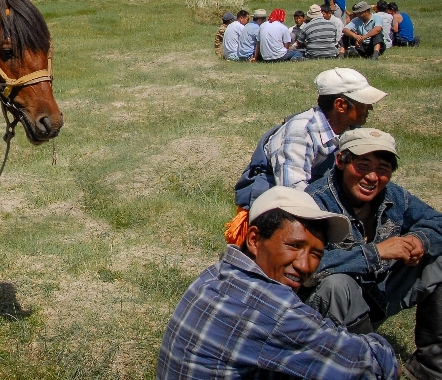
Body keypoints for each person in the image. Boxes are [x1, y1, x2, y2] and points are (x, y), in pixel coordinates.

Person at [158, 186, 397, 379]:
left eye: (316, 254)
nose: (304, 265)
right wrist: (375, 345)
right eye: (294, 246)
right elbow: (370, 367)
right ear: (254, 239)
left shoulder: (217, 273)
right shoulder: (273, 309)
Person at [307, 128, 442, 380]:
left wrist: (418, 240)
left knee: (439, 256)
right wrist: (376, 252)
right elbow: (307, 265)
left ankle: (431, 369)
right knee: (338, 284)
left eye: (383, 168)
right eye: (362, 165)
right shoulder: (315, 202)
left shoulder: (395, 196)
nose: (372, 176)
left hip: (377, 295)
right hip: (330, 309)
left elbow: (437, 222)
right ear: (340, 161)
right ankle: (365, 366)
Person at [233, 67, 387, 214]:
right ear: (340, 105)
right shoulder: (300, 133)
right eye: (364, 103)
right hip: (277, 207)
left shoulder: (349, 130)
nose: (370, 108)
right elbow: (292, 194)